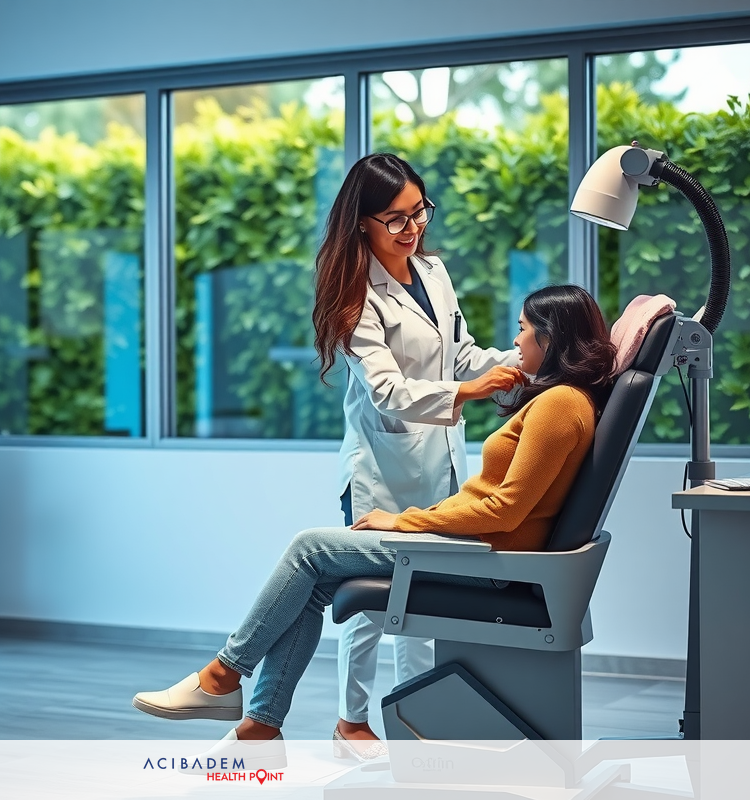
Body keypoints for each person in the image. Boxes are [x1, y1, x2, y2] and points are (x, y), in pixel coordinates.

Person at [131, 284, 617, 764]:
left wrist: (405, 521)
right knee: (313, 587)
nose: (514, 343)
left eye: (523, 331)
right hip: (483, 548)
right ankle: (259, 727)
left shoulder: (558, 405)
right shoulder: (566, 401)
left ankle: (221, 677)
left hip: (484, 556)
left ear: (550, 341)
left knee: (308, 549)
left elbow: (505, 510)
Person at [311, 153, 520, 758]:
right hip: (380, 469)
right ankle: (351, 722)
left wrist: (511, 365)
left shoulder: (433, 270)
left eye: (419, 211)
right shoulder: (355, 298)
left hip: (442, 462)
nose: (413, 228)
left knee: (425, 599)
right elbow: (390, 393)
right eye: (395, 219)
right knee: (373, 604)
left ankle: (414, 716)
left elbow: (458, 354)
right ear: (361, 224)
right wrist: (469, 391)